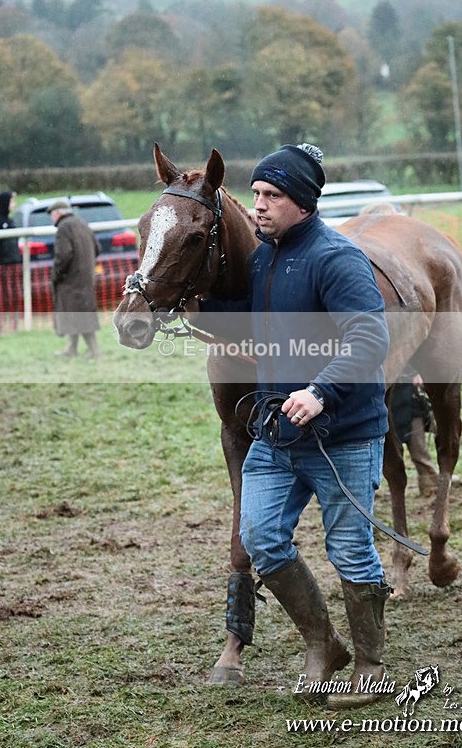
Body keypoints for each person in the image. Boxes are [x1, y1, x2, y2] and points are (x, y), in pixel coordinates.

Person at [185, 144, 391, 709]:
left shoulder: (337, 259)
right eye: (255, 195)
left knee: (350, 550)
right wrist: (181, 305)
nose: (258, 206)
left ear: (302, 202)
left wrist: (319, 391)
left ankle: (370, 668)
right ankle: (324, 643)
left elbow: (371, 338)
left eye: (271, 196)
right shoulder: (263, 259)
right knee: (259, 536)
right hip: (277, 438)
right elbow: (250, 321)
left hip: (342, 435)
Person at [48, 199, 101, 359]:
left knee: (77, 316)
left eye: (51, 214)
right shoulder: (82, 223)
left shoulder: (64, 228)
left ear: (57, 213)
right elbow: (97, 249)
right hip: (86, 279)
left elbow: (63, 255)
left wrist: (56, 275)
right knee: (79, 313)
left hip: (70, 280)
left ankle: (94, 351)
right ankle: (72, 348)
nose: (51, 218)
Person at [390, 369, 438, 497]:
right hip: (383, 394)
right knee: (389, 451)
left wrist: (416, 373)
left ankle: (431, 484)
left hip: (408, 393)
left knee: (419, 447)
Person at [0, 190, 23, 333]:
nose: (14, 204)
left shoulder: (10, 221)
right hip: (3, 265)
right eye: (12, 201)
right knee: (5, 296)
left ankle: (14, 326)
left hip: (15, 263)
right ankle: (1, 326)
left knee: (16, 295)